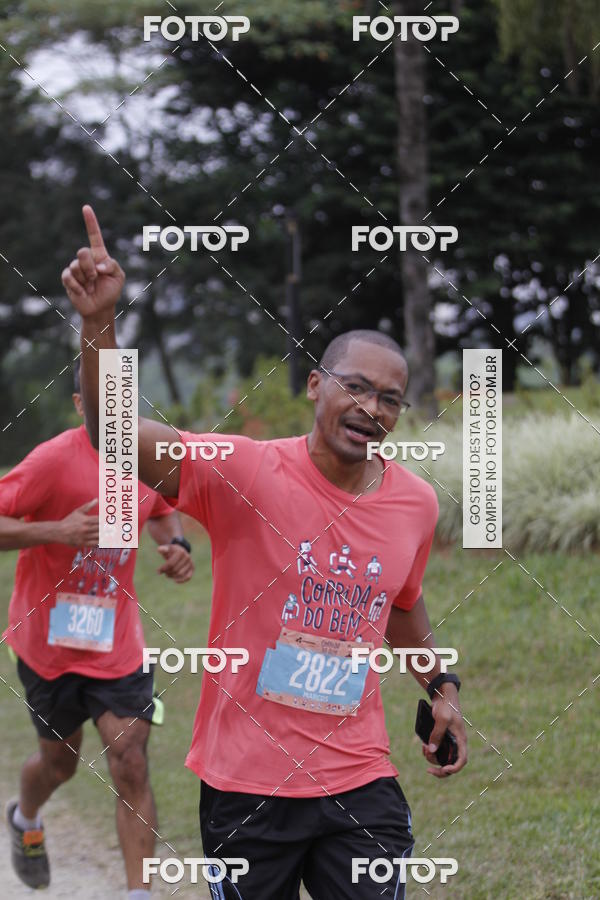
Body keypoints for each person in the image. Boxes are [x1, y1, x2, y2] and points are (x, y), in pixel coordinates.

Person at [63, 205, 467, 900]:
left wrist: (441, 687)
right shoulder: (243, 470)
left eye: (391, 398)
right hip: (246, 786)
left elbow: (399, 600)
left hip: (359, 780)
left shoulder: (415, 504)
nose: (373, 407)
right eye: (357, 386)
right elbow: (115, 434)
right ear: (316, 385)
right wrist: (100, 324)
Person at [1, 361, 195, 898]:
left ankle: (138, 892)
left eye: (123, 406)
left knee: (130, 758)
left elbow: (163, 506)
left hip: (117, 646)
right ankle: (25, 816)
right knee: (58, 763)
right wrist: (55, 529)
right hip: (48, 647)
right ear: (79, 404)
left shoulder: (142, 458)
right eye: (99, 404)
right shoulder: (53, 461)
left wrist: (177, 544)